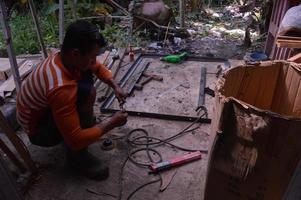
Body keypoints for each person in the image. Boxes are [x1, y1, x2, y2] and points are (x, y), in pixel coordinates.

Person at [16, 20, 128, 180]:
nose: (94, 61)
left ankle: (80, 124)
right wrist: (111, 123)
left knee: (88, 89)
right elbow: (75, 140)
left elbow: (97, 67)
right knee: (78, 129)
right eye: (92, 57)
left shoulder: (65, 58)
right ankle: (77, 158)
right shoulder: (60, 87)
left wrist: (115, 86)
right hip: (38, 130)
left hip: (44, 110)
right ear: (75, 53)